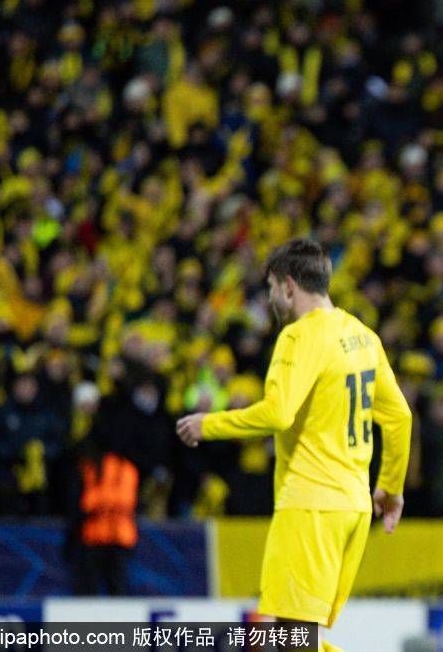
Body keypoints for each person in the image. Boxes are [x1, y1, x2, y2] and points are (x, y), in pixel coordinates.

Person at [175, 239, 413, 651]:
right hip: (353, 508)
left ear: (288, 286)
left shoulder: (299, 336)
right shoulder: (362, 336)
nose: (270, 298)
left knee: (294, 635)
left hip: (310, 504)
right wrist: (390, 487)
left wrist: (208, 424)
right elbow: (399, 417)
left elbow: (278, 414)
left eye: (270, 287)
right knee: (292, 634)